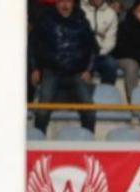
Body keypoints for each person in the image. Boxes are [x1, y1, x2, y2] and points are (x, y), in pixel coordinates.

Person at [31, 0, 98, 134]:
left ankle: (88, 140)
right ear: (56, 3)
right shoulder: (45, 21)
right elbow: (33, 46)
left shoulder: (82, 21)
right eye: (61, 1)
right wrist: (35, 68)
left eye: (68, 1)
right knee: (42, 111)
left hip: (77, 72)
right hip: (51, 70)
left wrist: (89, 70)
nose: (65, 5)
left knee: (90, 112)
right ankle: (39, 140)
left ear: (73, 3)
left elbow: (93, 48)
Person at [83, 0, 118, 84]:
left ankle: (107, 90)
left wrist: (100, 52)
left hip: (100, 53)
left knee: (111, 64)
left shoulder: (111, 14)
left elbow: (111, 39)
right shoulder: (80, 10)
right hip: (82, 53)